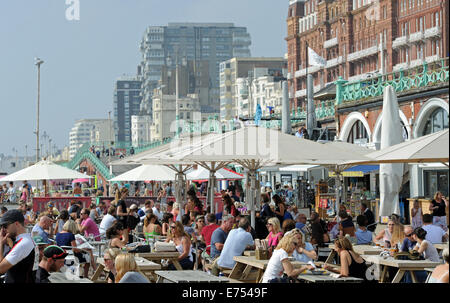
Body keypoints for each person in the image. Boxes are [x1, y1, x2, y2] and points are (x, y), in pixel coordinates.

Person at [0, 209, 39, 283]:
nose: (3, 230)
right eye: (1, 227)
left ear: (17, 224)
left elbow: (1, 269)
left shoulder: (23, 244)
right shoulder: (27, 240)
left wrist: (0, 243)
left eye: (5, 226)